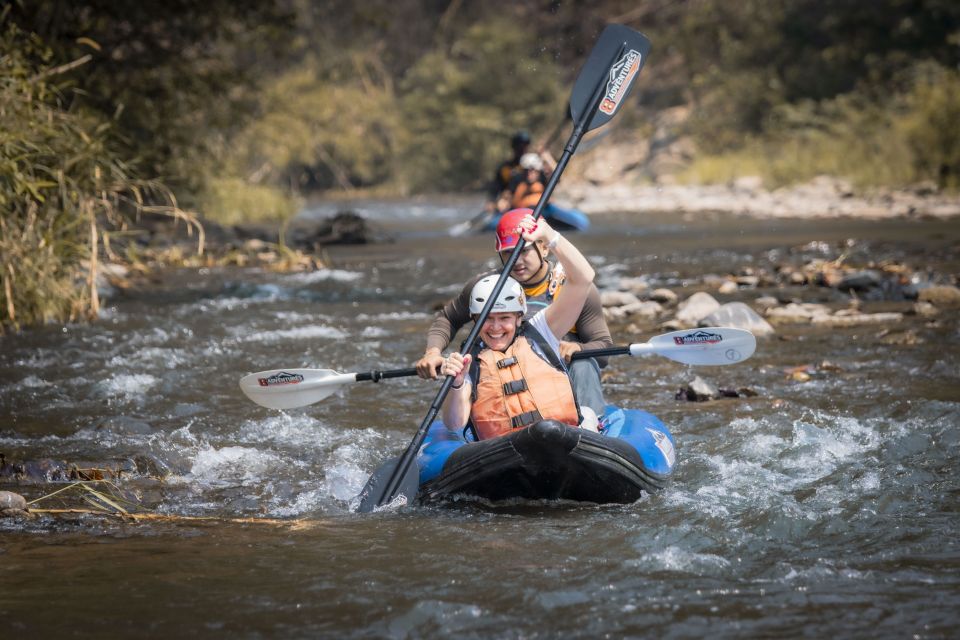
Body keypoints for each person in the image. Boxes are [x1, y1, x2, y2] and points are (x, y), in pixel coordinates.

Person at [416, 208, 611, 417]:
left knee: (583, 363)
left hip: (559, 373)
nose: (516, 260)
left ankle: (590, 426)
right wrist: (433, 352)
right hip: (504, 374)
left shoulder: (575, 289)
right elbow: (448, 318)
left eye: (524, 250)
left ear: (544, 248)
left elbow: (604, 348)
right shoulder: (485, 288)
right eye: (508, 252)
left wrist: (578, 348)